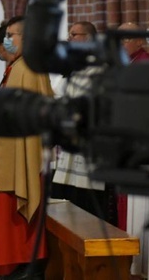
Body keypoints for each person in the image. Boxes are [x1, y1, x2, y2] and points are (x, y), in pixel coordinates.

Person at [0, 15, 53, 279]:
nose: (7, 40)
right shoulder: (18, 66)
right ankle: (12, 263)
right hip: (8, 152)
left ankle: (27, 263)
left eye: (13, 35)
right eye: (7, 35)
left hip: (22, 153)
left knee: (17, 211)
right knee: (4, 212)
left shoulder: (30, 68)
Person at [50, 21, 119, 226]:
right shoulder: (75, 67)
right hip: (70, 147)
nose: (69, 38)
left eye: (74, 34)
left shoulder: (102, 67)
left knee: (88, 209)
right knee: (66, 205)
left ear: (88, 38)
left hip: (90, 148)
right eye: (69, 34)